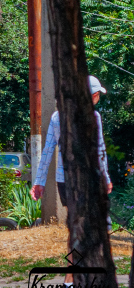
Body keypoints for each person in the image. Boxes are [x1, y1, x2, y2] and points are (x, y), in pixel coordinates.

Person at [31, 75, 113, 203]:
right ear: (93, 95)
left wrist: (39, 182)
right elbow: (99, 149)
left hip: (64, 180)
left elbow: (47, 151)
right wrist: (106, 178)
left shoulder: (57, 117)